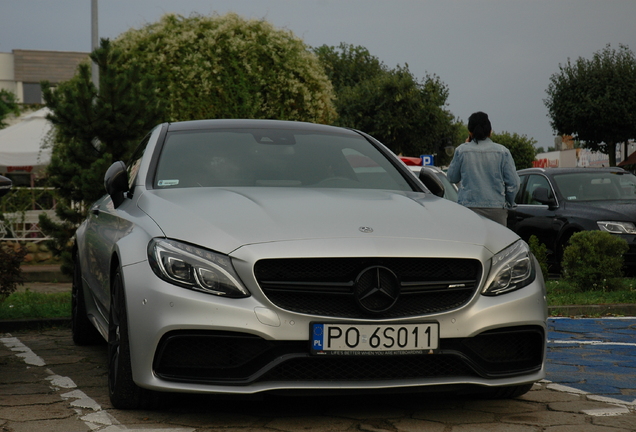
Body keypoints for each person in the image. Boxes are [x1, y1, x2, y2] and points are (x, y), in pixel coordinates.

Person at [446, 111, 519, 226]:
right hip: (496, 209)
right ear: (490, 131)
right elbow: (513, 184)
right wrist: (507, 202)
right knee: (498, 243)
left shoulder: (462, 151)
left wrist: (466, 145)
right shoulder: (503, 152)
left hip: (468, 208)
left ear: (470, 132)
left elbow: (451, 177)